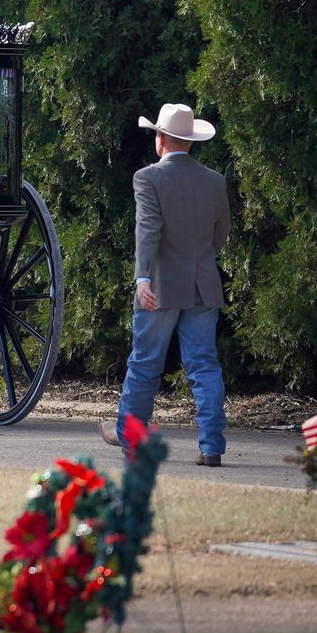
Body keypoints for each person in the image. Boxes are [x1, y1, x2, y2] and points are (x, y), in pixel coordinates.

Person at [100, 103, 232, 466]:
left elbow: (148, 229)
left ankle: (131, 439)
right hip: (203, 284)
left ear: (160, 138)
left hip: (159, 286)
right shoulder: (215, 180)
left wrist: (143, 276)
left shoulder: (147, 177)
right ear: (188, 141)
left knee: (144, 364)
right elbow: (221, 234)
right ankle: (211, 446)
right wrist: (200, 262)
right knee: (204, 365)